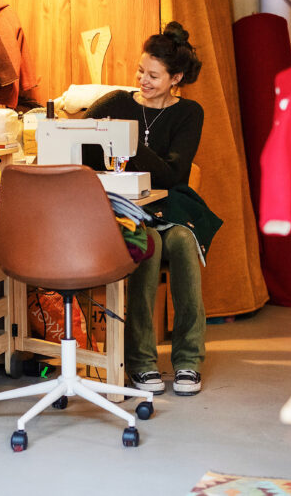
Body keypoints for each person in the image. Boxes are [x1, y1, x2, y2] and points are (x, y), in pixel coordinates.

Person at [83, 21, 206, 396]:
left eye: (154, 75)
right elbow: (79, 145)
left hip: (168, 208)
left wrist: (129, 141)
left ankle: (188, 359)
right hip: (119, 211)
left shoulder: (189, 113)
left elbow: (173, 175)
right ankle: (141, 360)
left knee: (184, 242)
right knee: (146, 243)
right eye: (140, 71)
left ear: (176, 78)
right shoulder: (115, 104)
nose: (143, 80)